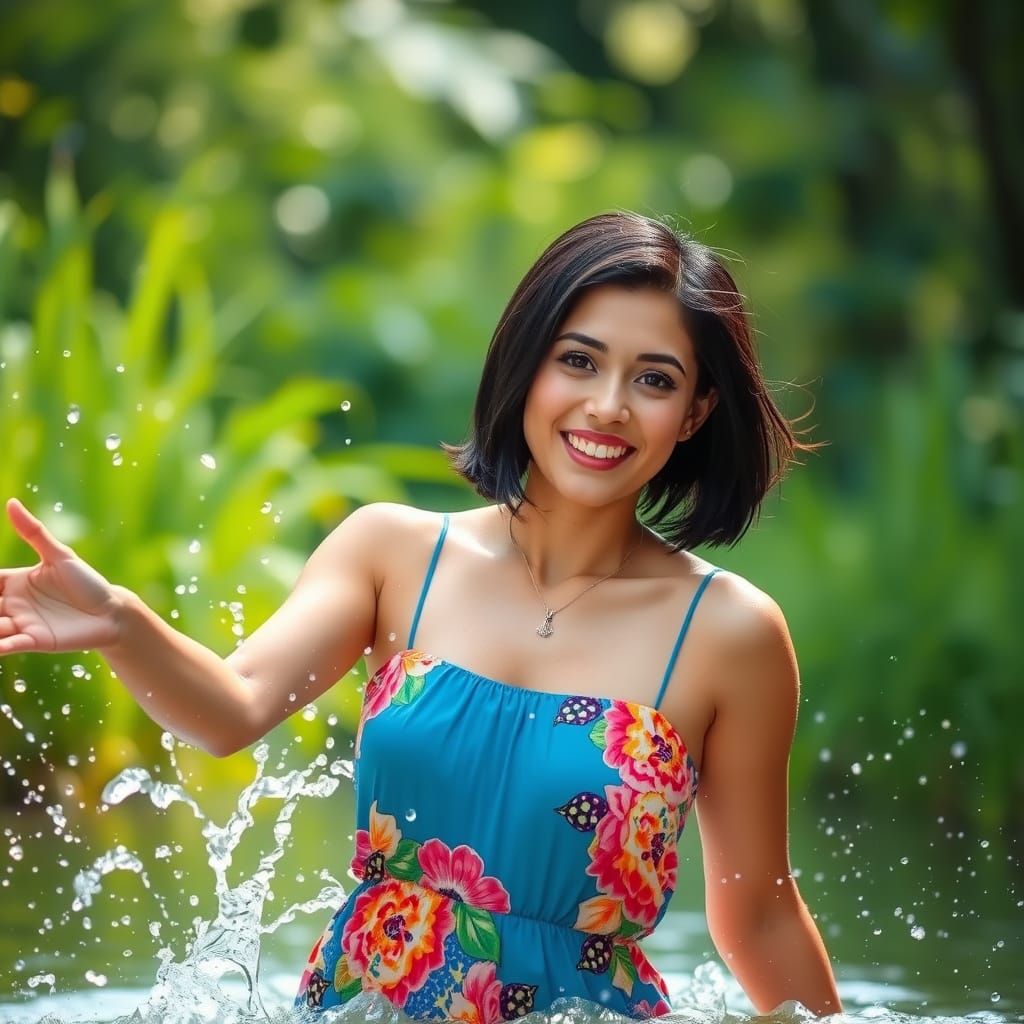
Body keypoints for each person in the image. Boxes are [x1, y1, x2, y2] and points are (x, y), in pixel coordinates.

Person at [0, 211, 842, 1021]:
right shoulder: (393, 554)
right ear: (526, 365)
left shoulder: (730, 633)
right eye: (578, 361)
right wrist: (119, 621)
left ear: (694, 414)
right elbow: (230, 709)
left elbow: (759, 918)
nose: (609, 406)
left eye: (654, 380)